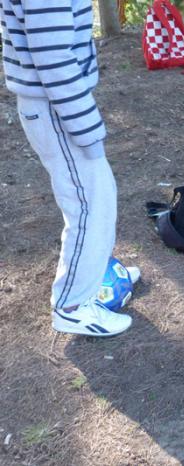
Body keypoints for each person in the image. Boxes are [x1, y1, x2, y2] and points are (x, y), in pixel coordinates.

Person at [1, 0, 136, 336]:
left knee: (97, 196)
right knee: (90, 204)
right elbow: (53, 59)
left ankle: (92, 276)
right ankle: (72, 306)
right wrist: (88, 130)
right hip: (54, 107)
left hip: (51, 104)